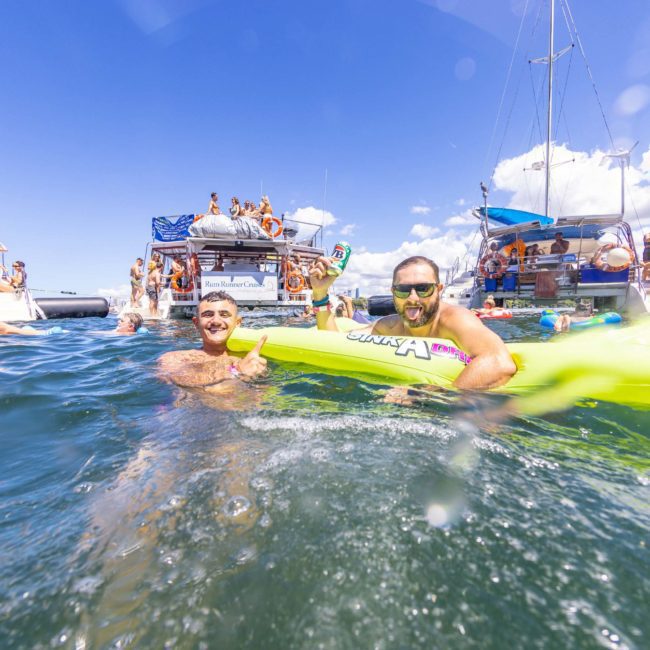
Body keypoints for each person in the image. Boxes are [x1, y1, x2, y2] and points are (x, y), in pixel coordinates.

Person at [309, 255, 516, 391]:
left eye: (423, 289)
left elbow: (499, 362)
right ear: (393, 293)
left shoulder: (455, 320)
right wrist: (320, 293)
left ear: (439, 289)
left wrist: (422, 394)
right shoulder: (389, 326)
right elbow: (334, 342)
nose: (413, 298)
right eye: (403, 290)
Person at [158, 291, 267, 390]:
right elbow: (189, 386)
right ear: (196, 323)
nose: (216, 321)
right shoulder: (174, 358)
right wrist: (238, 372)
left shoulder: (251, 359)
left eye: (224, 315)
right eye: (208, 315)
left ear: (237, 322)